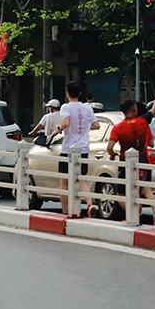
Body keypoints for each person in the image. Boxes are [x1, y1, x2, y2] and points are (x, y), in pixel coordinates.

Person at [106, 96, 155, 224]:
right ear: (134, 109)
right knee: (146, 189)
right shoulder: (143, 122)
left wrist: (112, 155)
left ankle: (136, 212)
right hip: (143, 160)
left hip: (126, 163)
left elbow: (109, 147)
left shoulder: (118, 128)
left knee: (120, 193)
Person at [58, 81, 100, 215]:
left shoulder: (66, 107)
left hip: (68, 149)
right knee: (82, 179)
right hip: (83, 149)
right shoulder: (88, 108)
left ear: (67, 93)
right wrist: (85, 127)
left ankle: (65, 211)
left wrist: (59, 128)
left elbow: (66, 122)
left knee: (64, 181)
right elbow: (96, 125)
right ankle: (90, 205)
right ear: (80, 93)